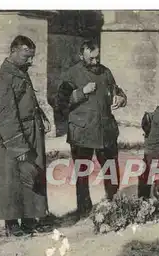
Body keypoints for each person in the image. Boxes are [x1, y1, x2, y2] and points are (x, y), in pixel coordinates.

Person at [0, 35, 54, 237]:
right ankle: (12, 223)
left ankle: (30, 218)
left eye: (32, 56)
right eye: (27, 56)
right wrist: (20, 148)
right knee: (13, 178)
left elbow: (28, 101)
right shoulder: (2, 79)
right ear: (13, 52)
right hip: (13, 137)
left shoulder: (20, 73)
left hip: (32, 132)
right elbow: (6, 118)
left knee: (33, 174)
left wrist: (41, 117)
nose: (31, 61)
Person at [51, 39, 127, 218]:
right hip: (82, 132)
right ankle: (84, 209)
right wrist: (81, 92)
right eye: (91, 59)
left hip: (105, 130)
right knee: (83, 172)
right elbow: (59, 102)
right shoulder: (72, 75)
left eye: (97, 58)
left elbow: (117, 90)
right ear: (81, 56)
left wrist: (121, 98)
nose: (95, 62)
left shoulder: (106, 72)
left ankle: (113, 202)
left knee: (111, 169)